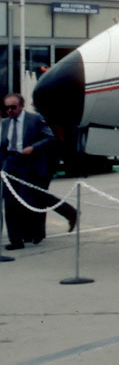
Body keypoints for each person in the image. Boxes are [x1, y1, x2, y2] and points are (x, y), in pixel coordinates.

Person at [2, 93, 75, 249]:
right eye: (7, 108)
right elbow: (4, 144)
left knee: (32, 199)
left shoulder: (34, 119)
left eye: (13, 107)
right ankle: (16, 240)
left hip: (30, 164)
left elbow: (50, 138)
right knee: (10, 202)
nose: (9, 111)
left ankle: (65, 216)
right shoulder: (6, 123)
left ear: (21, 106)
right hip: (10, 164)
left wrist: (33, 148)